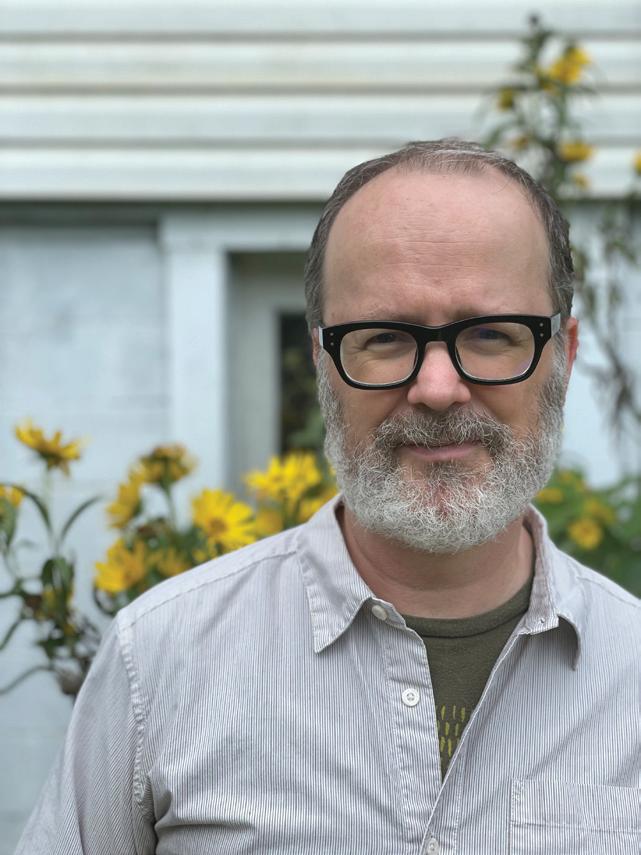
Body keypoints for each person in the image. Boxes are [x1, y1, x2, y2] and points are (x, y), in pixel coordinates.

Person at [16, 139, 640, 854]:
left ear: (563, 354)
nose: (438, 388)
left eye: (491, 334)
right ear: (322, 361)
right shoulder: (157, 660)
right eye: (384, 337)